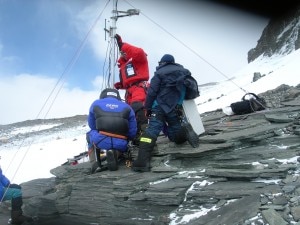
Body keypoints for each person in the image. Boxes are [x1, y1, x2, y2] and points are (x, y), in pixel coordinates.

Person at [132, 54, 200, 172]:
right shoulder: (184, 72)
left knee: (151, 132)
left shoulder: (159, 74)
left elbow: (152, 92)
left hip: (159, 107)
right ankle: (185, 131)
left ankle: (142, 162)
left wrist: (147, 108)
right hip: (175, 107)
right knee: (175, 133)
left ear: (162, 63)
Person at [86, 88, 137, 172]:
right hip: (121, 143)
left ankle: (95, 163)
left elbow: (92, 126)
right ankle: (115, 153)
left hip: (101, 141)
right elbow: (132, 131)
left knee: (89, 134)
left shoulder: (95, 104)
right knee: (119, 144)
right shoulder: (127, 107)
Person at [113, 34, 149, 144]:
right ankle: (136, 138)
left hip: (138, 89)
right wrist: (120, 85)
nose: (123, 53)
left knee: (138, 108)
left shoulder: (139, 59)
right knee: (129, 114)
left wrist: (122, 45)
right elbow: (129, 80)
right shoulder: (124, 66)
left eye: (124, 52)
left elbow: (139, 52)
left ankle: (147, 139)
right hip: (129, 92)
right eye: (121, 52)